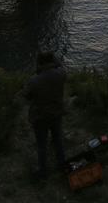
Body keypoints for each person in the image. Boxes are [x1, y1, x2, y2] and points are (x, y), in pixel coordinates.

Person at [24, 51, 67, 180]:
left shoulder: (34, 81)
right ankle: (62, 165)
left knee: (42, 144)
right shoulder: (61, 74)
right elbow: (60, 66)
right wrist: (55, 60)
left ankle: (43, 171)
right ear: (52, 61)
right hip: (56, 113)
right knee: (58, 139)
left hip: (40, 117)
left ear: (39, 63)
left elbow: (27, 96)